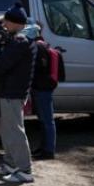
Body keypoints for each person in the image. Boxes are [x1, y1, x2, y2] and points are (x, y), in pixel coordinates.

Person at [0, 2, 37, 184]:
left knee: (15, 131)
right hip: (9, 91)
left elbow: (3, 64)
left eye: (7, 22)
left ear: (15, 22)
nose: (4, 25)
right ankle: (10, 164)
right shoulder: (20, 39)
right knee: (7, 130)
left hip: (12, 92)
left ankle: (24, 170)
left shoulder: (20, 41)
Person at [31, 25, 63, 160]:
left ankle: (48, 150)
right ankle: (45, 148)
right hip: (46, 87)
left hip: (41, 88)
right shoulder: (46, 46)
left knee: (47, 120)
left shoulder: (38, 47)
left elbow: (37, 68)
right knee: (45, 120)